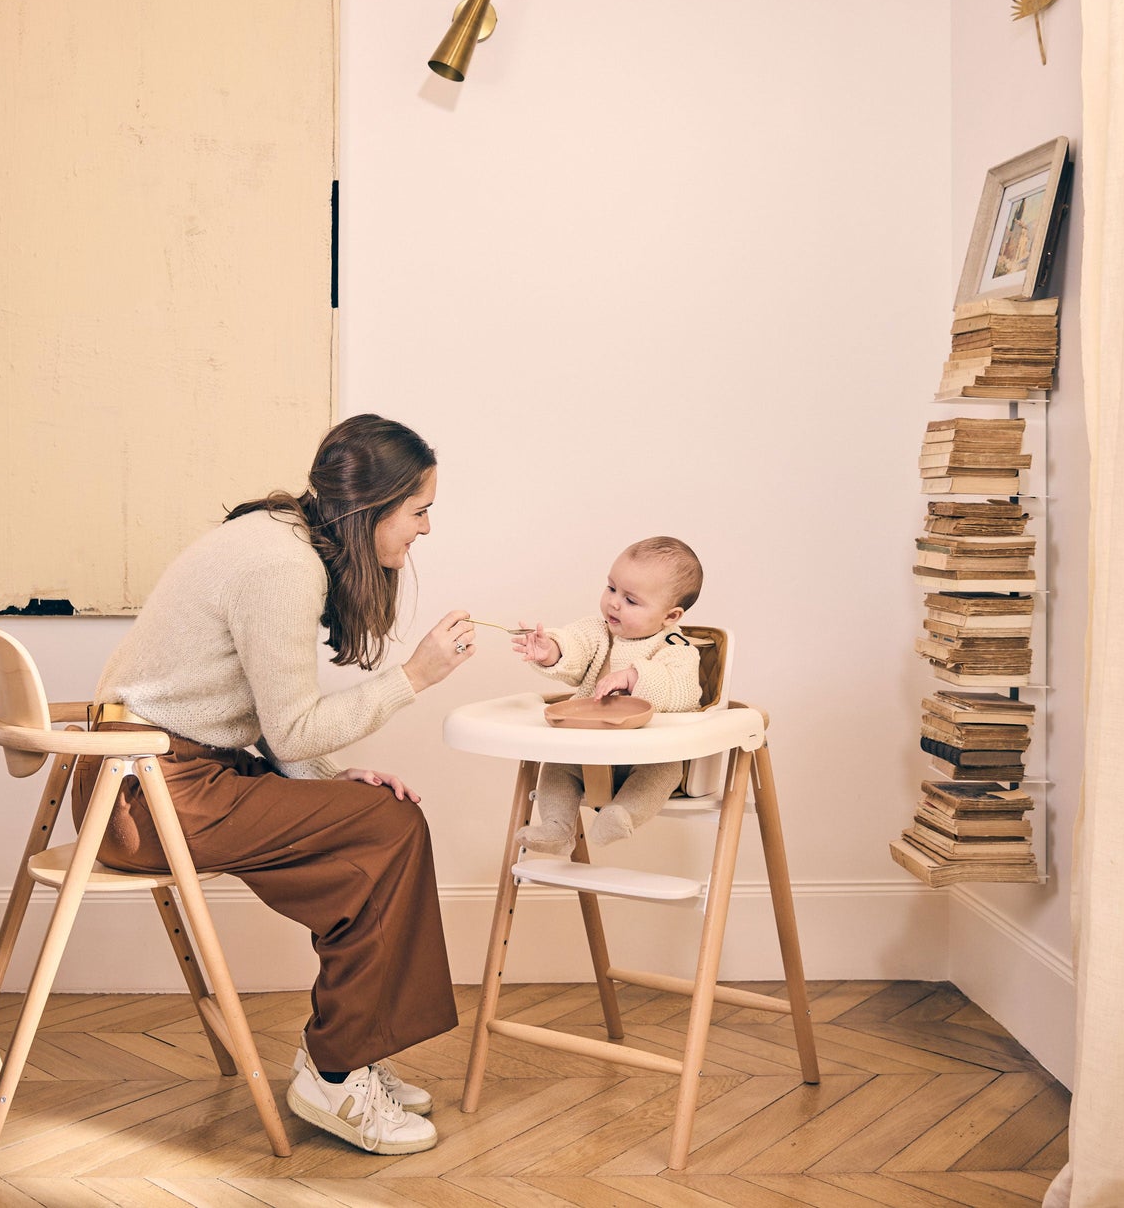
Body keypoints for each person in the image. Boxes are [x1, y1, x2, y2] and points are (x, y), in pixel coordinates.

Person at [83, 414, 476, 1155]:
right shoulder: (281, 566)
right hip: (150, 795)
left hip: (170, 779)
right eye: (419, 511)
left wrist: (332, 786)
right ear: (376, 508)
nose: (425, 529)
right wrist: (416, 677)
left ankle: (344, 1055)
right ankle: (335, 1068)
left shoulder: (282, 537)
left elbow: (274, 723)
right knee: (389, 829)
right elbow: (291, 730)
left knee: (375, 820)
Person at [510, 536, 706, 855]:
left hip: (648, 756)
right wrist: (551, 651)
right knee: (558, 767)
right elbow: (575, 645)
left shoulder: (676, 649)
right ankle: (557, 826)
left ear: (670, 617)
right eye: (612, 588)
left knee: (665, 771)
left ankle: (622, 813)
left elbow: (681, 691)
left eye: (631, 600)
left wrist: (634, 677)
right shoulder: (599, 631)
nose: (614, 603)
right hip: (591, 752)